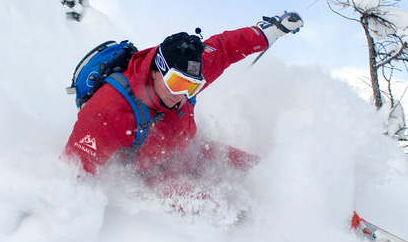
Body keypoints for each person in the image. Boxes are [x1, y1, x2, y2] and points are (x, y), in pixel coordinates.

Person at [65, 11, 303, 197]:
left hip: (188, 150)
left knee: (256, 169)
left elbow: (225, 47)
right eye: (177, 82)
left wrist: (271, 31)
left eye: (192, 86)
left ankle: (300, 200)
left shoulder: (187, 76)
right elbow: (70, 176)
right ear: (158, 70)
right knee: (217, 205)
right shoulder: (108, 111)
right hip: (150, 177)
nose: (181, 95)